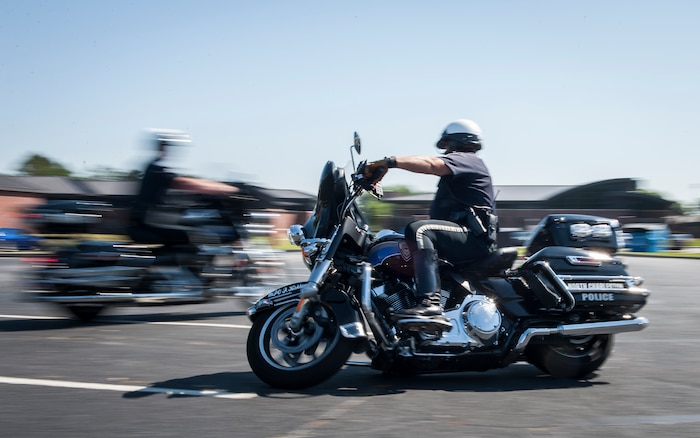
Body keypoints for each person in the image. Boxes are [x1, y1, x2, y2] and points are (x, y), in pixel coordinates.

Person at [363, 119, 497, 320]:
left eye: (448, 145)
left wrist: (389, 162)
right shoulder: (460, 169)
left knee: (419, 230)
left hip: (474, 238)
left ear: (460, 142)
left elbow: (431, 163)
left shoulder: (467, 160)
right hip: (463, 236)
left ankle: (429, 302)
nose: (446, 151)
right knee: (394, 238)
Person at [127, 129, 239, 246]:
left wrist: (220, 186)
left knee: (197, 225)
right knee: (198, 233)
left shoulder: (159, 167)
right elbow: (184, 183)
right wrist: (232, 189)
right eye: (169, 147)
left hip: (155, 218)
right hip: (149, 221)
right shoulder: (157, 168)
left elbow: (192, 182)